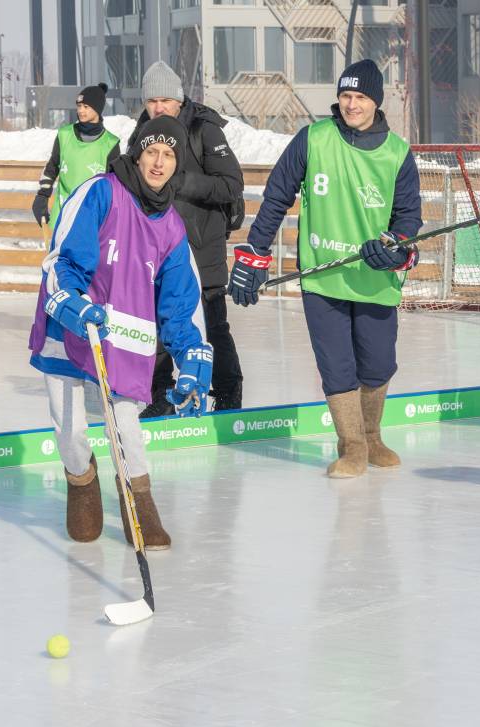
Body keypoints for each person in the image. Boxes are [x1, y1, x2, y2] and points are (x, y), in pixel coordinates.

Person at [229, 59, 423, 478]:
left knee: (377, 364)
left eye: (360, 97)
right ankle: (352, 446)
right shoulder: (313, 139)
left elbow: (408, 220)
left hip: (375, 279)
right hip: (323, 275)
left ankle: (371, 435)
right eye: (345, 95)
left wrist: (394, 247)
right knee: (337, 366)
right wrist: (255, 253)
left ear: (376, 101)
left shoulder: (398, 154)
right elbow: (277, 195)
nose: (351, 104)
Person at [28, 115, 213, 550]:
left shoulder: (171, 228)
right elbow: (64, 258)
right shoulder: (100, 193)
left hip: (124, 340)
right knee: (70, 428)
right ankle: (82, 484)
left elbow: (180, 304)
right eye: (152, 151)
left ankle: (139, 506)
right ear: (137, 152)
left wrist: (191, 356)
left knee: (126, 428)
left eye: (169, 156)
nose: (159, 162)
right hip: (72, 328)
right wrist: (71, 300)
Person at [130, 61, 246, 416]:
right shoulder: (141, 134)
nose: (159, 108)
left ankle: (227, 391)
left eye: (166, 100)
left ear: (179, 99)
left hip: (201, 246)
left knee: (212, 323)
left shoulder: (203, 129)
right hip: (157, 248)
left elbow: (232, 183)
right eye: (152, 101)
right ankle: (160, 394)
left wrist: (180, 182)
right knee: (157, 322)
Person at [32, 83, 119, 230]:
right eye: (79, 106)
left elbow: (114, 185)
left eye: (86, 107)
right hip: (62, 216)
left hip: (92, 219)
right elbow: (52, 167)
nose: (81, 111)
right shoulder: (64, 135)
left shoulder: (110, 144)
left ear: (97, 109)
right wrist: (42, 196)